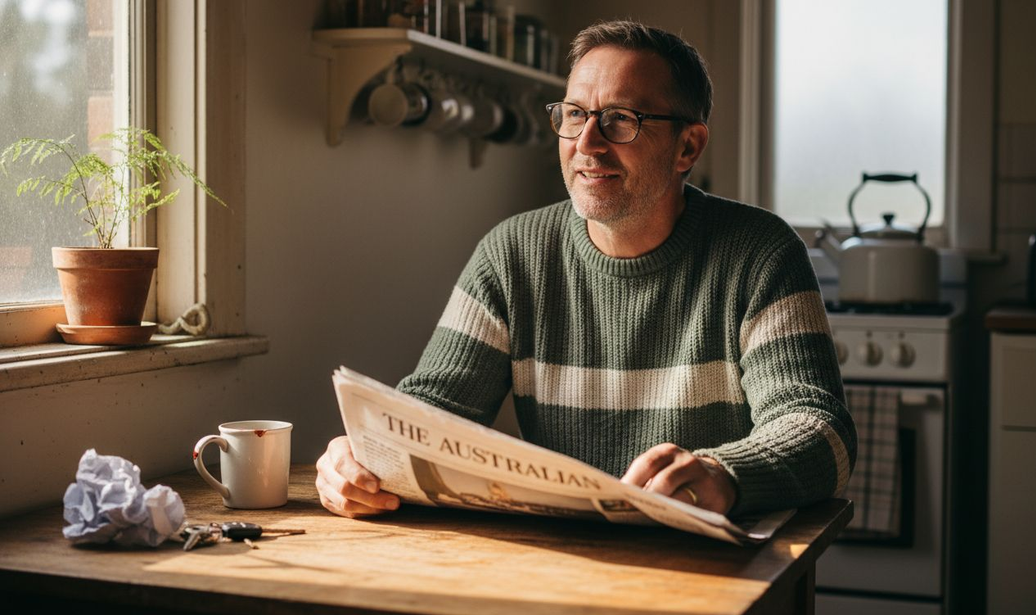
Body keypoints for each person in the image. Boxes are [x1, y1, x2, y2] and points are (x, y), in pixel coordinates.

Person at [316, 20, 855, 519]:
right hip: (561, 561)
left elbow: (818, 429)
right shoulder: (511, 254)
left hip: (712, 565)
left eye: (621, 119)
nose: (587, 144)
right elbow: (432, 410)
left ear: (687, 146)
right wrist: (363, 454)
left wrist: (724, 474)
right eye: (575, 114)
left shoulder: (760, 252)